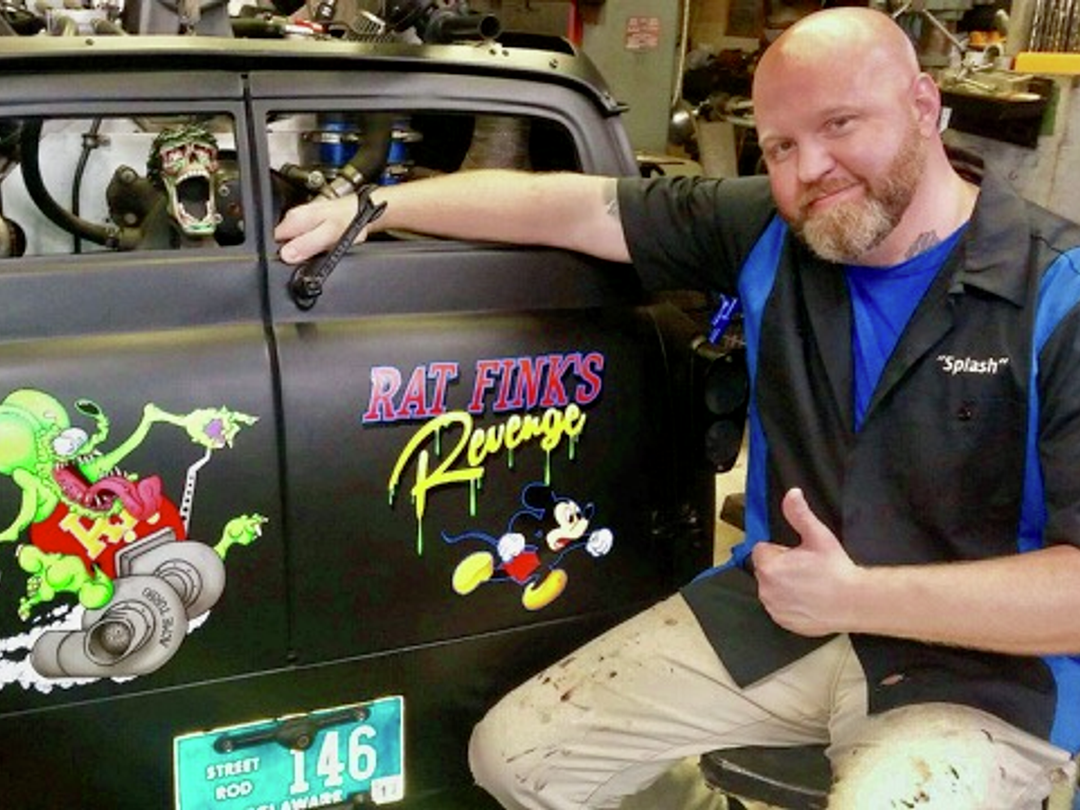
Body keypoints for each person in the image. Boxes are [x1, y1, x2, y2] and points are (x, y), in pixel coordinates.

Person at [275, 7, 1080, 808]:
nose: (811, 169)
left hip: (983, 674)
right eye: (781, 147)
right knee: (519, 758)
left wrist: (855, 596)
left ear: (924, 104)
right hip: (778, 620)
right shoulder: (772, 227)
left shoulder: (1057, 293)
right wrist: (376, 207)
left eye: (841, 124)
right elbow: (575, 207)